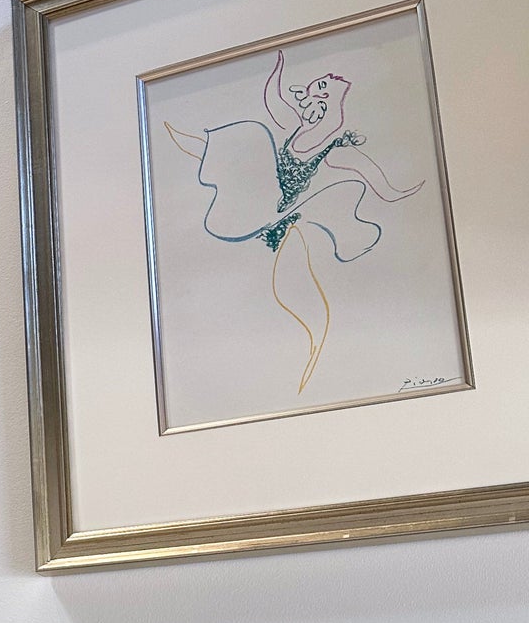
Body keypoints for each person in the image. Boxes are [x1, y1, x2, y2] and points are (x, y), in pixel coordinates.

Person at [165, 50, 422, 394]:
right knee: (251, 136)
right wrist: (278, 66)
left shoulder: (332, 140)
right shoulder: (298, 127)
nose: (314, 93)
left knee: (254, 138)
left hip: (280, 204)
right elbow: (275, 101)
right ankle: (192, 142)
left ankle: (309, 353)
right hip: (264, 192)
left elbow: (369, 171)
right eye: (317, 88)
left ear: (328, 102)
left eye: (322, 90)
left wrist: (396, 192)